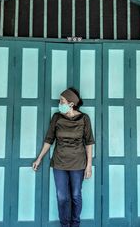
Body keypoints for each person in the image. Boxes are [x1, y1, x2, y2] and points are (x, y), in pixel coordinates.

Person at [32, 87, 95, 227]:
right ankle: (64, 225)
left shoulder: (84, 119)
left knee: (76, 196)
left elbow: (89, 142)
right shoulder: (57, 117)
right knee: (62, 197)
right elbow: (49, 139)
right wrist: (39, 158)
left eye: (62, 101)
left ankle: (75, 224)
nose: (59, 103)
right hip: (59, 163)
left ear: (71, 104)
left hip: (78, 163)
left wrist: (89, 165)